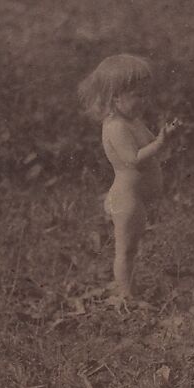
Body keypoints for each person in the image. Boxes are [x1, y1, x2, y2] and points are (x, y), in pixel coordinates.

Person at [77, 54, 179, 302]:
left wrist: (164, 136)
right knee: (126, 249)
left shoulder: (131, 121)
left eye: (146, 94)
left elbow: (151, 145)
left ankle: (129, 288)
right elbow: (133, 159)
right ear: (115, 97)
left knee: (132, 247)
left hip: (137, 200)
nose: (144, 101)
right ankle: (125, 294)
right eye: (138, 96)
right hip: (126, 199)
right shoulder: (116, 127)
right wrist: (160, 142)